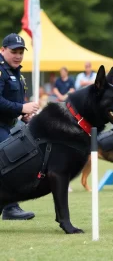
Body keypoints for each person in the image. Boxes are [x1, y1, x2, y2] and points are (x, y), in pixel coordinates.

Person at [0, 33, 39, 220]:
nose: (17, 55)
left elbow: (11, 102)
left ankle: (9, 207)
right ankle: (10, 207)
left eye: (21, 52)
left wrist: (24, 114)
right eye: (13, 51)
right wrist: (22, 107)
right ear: (2, 50)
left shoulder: (17, 73)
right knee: (10, 164)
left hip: (9, 125)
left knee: (12, 165)